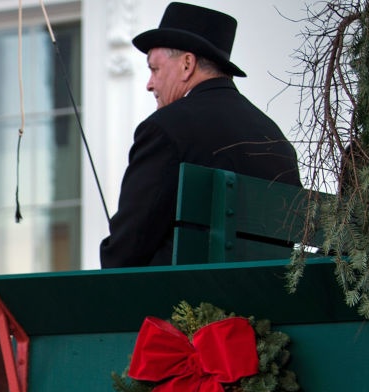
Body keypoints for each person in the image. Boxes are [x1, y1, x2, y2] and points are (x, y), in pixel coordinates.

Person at [99, 2, 302, 268]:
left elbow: (126, 252)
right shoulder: (276, 139)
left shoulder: (164, 129)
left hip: (179, 302)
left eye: (154, 69)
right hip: (267, 303)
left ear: (187, 64)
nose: (150, 84)